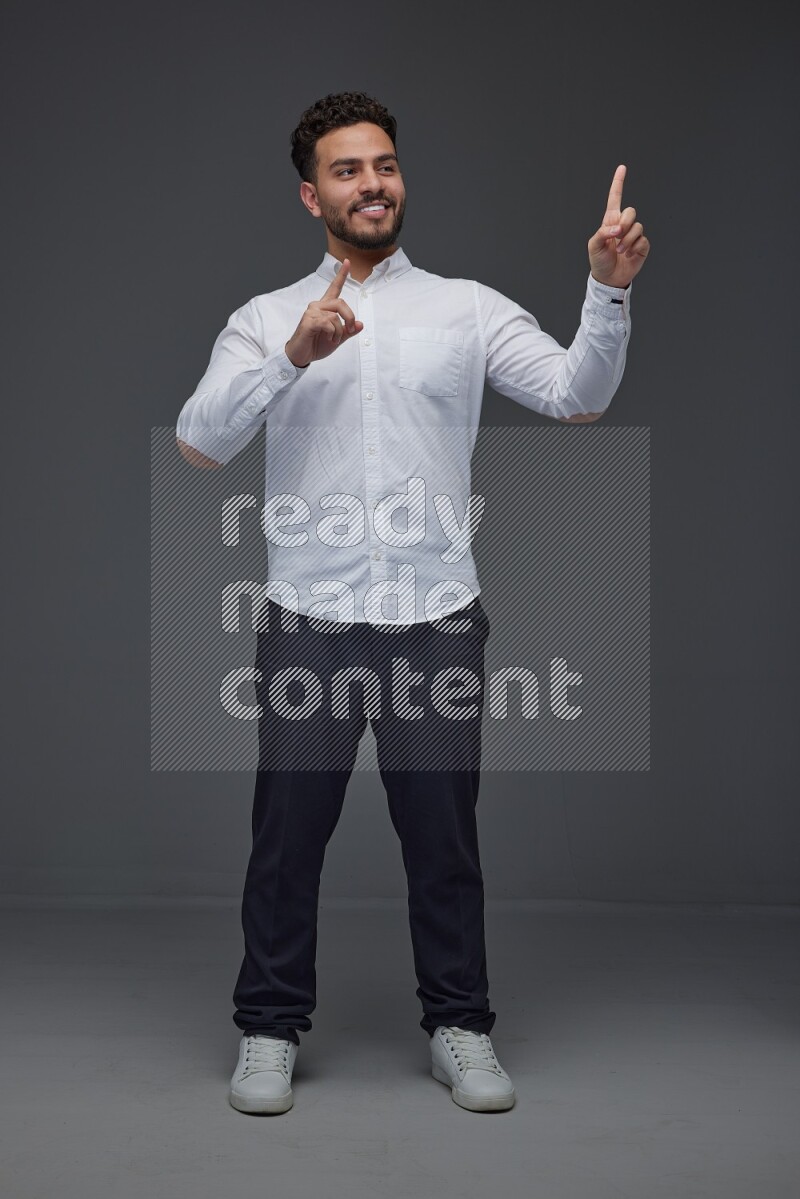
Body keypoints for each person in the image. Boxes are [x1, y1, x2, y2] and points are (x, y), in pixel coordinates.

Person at [175, 91, 649, 1116]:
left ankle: (460, 1024)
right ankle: (267, 1025)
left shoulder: (464, 309)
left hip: (434, 619)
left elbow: (577, 393)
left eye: (383, 164)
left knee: (441, 838)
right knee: (285, 838)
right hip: (308, 620)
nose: (371, 183)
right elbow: (199, 439)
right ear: (312, 196)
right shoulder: (263, 319)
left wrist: (603, 294)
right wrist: (288, 357)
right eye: (346, 170)